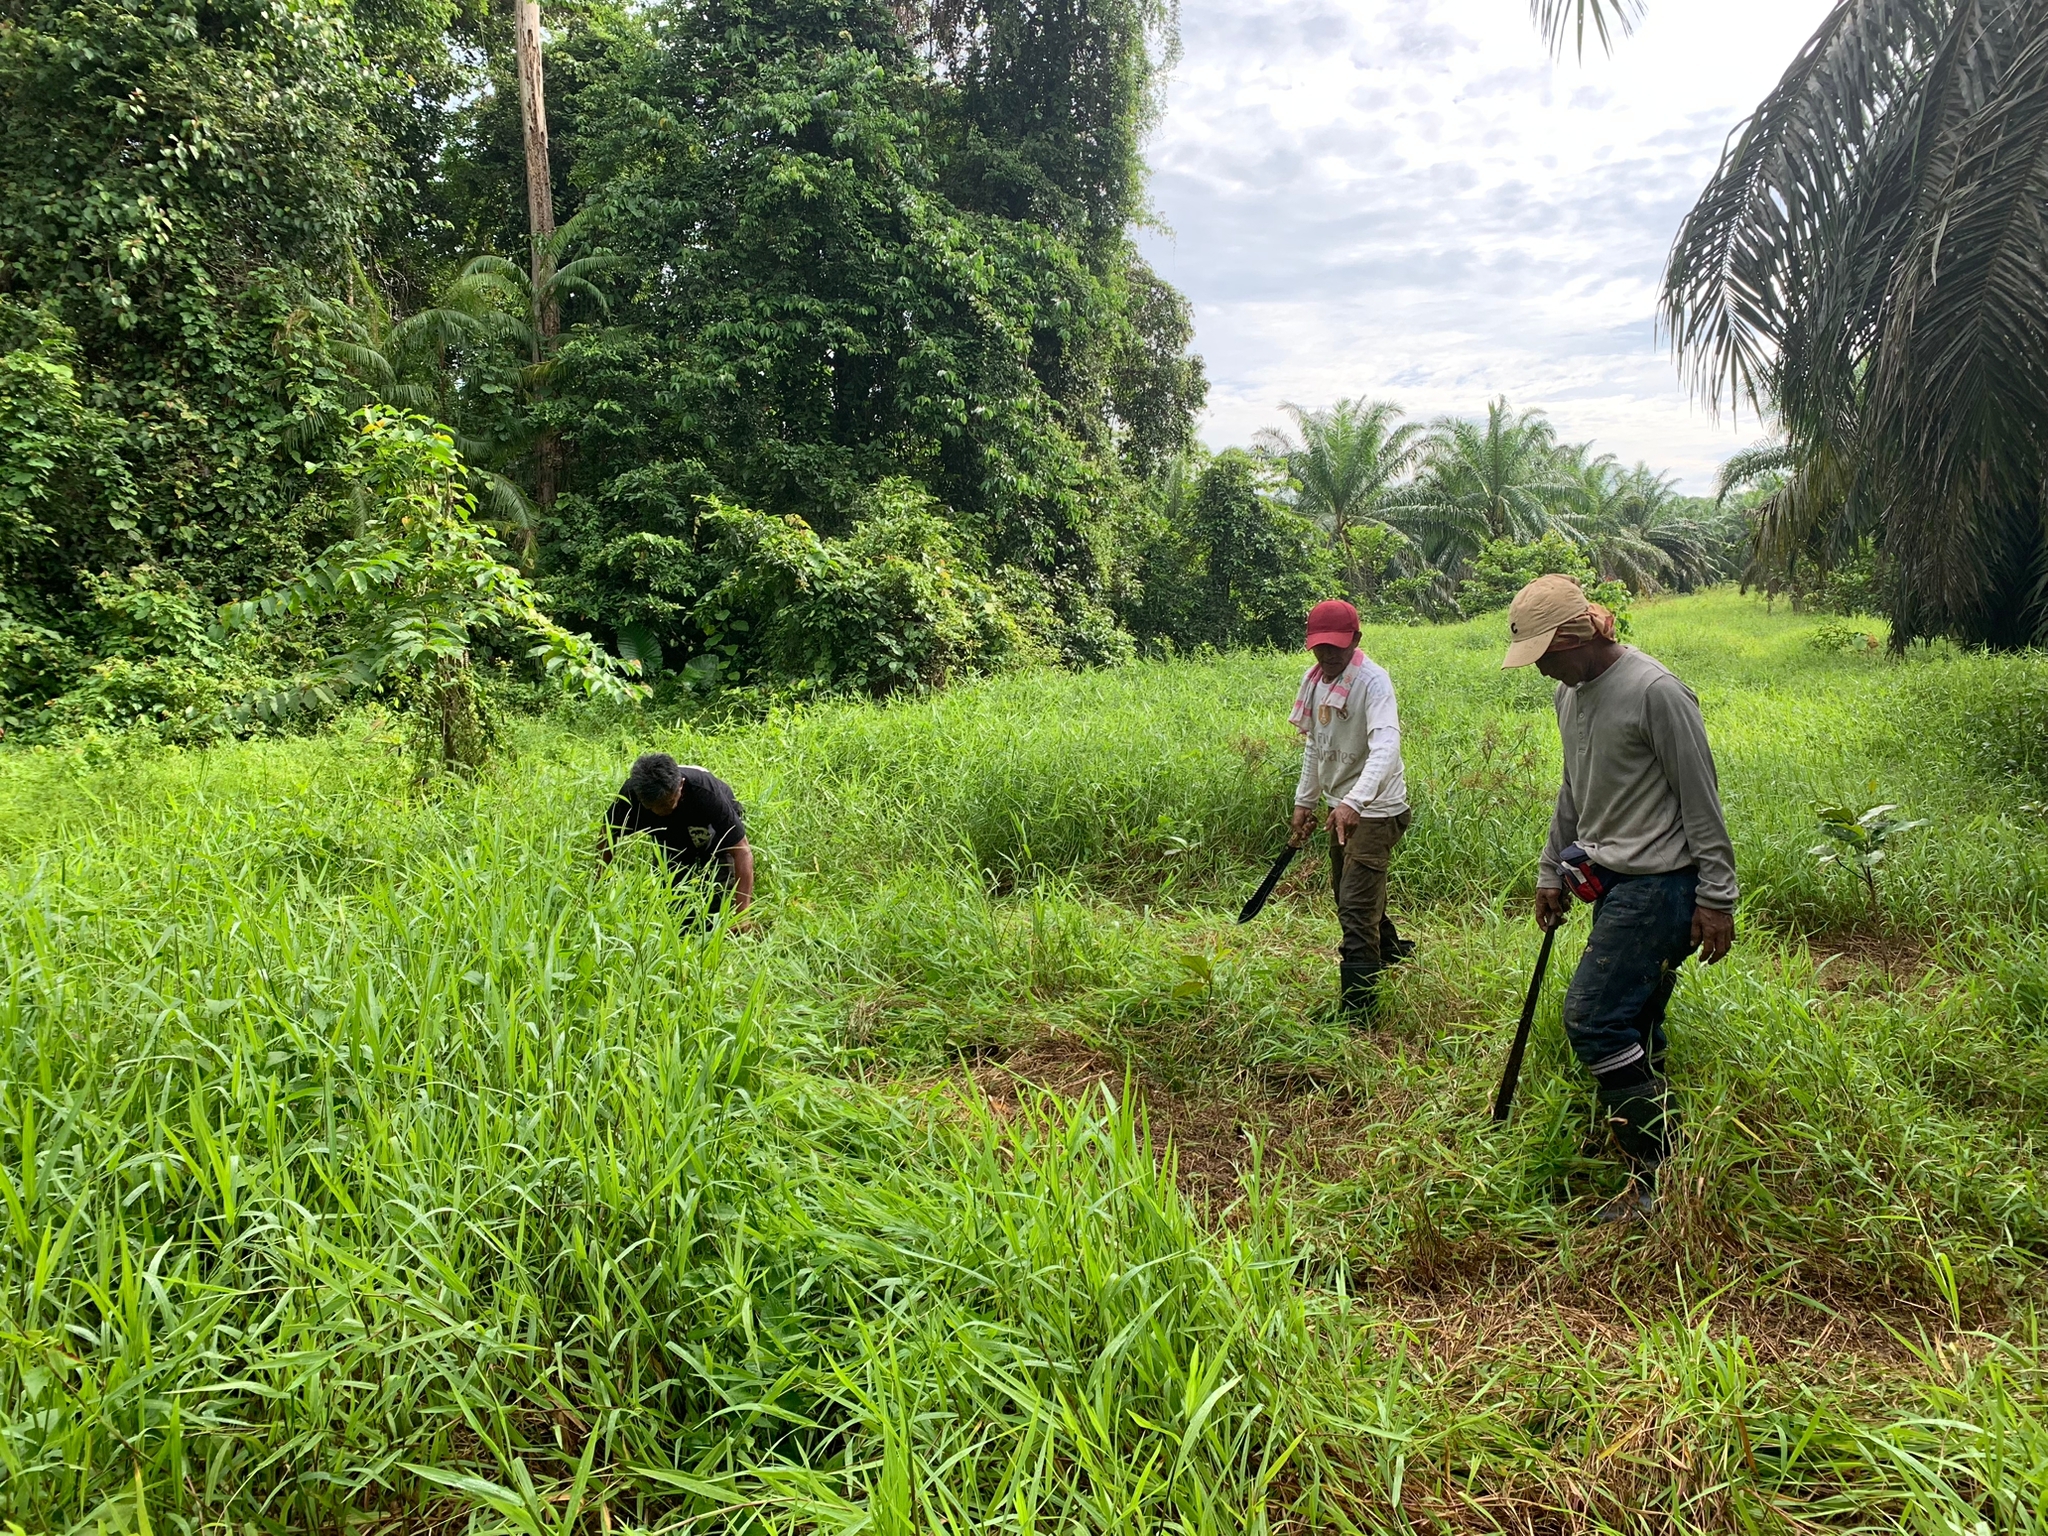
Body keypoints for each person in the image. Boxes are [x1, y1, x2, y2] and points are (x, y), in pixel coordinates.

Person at [1501, 574, 1736, 1220]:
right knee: (1635, 1019)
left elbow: (1702, 803)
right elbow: (1573, 793)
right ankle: (1656, 1154)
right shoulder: (1568, 696)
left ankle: (1657, 1169)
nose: (1542, 667)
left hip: (1663, 884)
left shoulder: (1656, 693)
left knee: (1593, 1017)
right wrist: (1552, 870)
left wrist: (1717, 899)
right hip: (1611, 881)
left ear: (1577, 635)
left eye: (1547, 652)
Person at [1287, 598, 1412, 1019]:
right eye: (1320, 646)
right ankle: (1393, 953)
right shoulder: (1316, 682)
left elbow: (1386, 746)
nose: (1327, 654)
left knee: (1354, 907)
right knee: (1348, 894)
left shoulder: (1373, 682)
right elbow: (1315, 747)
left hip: (1377, 810)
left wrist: (1355, 801)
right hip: (1341, 807)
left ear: (1356, 640)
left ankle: (1358, 1014)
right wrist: (1305, 801)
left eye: (1337, 646)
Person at [598, 752, 755, 924]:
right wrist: (598, 884)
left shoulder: (705, 791)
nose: (661, 810)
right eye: (653, 807)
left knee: (719, 902)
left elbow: (742, 851)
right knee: (674, 904)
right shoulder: (631, 795)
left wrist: (742, 916)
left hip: (711, 828)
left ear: (681, 785)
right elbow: (608, 834)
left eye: (667, 803)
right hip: (670, 836)